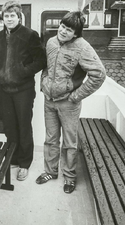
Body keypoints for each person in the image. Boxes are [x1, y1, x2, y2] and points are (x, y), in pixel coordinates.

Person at [37, 11, 106, 194]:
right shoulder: (51, 42)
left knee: (69, 142)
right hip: (49, 101)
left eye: (69, 29)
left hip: (69, 103)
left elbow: (99, 74)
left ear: (76, 33)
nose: (63, 31)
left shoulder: (82, 48)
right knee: (50, 139)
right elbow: (47, 66)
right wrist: (44, 84)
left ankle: (69, 177)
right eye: (62, 26)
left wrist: (76, 96)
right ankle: (50, 171)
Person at [0, 1, 46, 181]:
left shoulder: (30, 35)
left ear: (19, 17)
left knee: (24, 126)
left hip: (23, 89)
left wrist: (22, 71)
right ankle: (13, 158)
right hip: (5, 89)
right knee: (9, 126)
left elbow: (40, 60)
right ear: (3, 17)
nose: (9, 19)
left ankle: (25, 163)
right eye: (6, 16)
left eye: (12, 15)